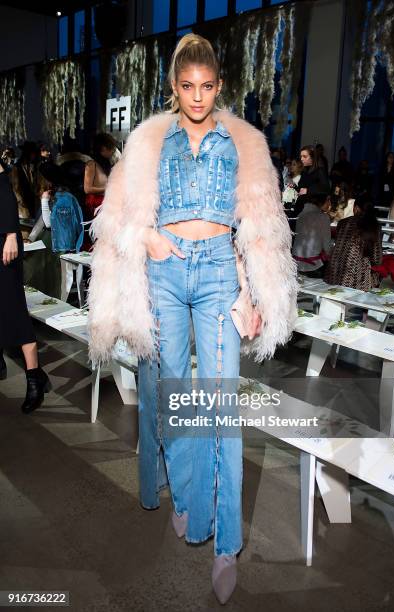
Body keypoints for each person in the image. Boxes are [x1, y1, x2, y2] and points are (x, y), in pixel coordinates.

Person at [87, 33, 297, 605]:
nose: (197, 96)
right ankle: (186, 497)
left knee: (220, 404)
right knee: (178, 394)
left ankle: (226, 541)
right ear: (174, 87)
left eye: (206, 86)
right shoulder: (152, 138)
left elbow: (258, 222)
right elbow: (119, 215)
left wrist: (254, 290)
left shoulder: (244, 143)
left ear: (220, 86)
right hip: (165, 273)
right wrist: (148, 236)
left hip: (218, 278)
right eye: (187, 86)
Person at [0, 159, 51, 412]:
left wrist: (10, 235)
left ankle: (34, 381)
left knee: (15, 310)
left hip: (4, 250)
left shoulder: (3, 179)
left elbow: (6, 194)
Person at [325, 195, 382, 290]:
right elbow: (377, 259)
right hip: (356, 279)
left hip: (333, 272)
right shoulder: (374, 225)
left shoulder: (343, 223)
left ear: (356, 208)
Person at [83, 133, 117, 249]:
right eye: (111, 148)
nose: (113, 151)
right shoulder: (91, 164)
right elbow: (87, 189)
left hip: (106, 205)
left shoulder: (108, 164)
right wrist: (108, 188)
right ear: (103, 148)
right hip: (95, 207)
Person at [292, 193, 332, 277]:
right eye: (328, 200)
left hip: (296, 263)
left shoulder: (301, 215)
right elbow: (327, 247)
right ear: (323, 201)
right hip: (314, 266)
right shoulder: (323, 217)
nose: (330, 204)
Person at [295, 145, 330, 216]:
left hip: (313, 211)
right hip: (302, 209)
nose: (301, 159)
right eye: (301, 156)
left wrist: (308, 190)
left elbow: (326, 188)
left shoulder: (320, 171)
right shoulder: (304, 172)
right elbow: (301, 189)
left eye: (304, 156)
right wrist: (294, 187)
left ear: (312, 158)